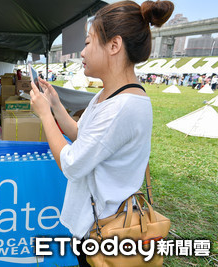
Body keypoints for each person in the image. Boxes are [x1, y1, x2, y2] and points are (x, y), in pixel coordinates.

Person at [29, 1, 173, 266]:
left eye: (87, 42)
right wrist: (56, 105)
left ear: (114, 46)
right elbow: (83, 137)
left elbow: (72, 164)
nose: (81, 52)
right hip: (94, 223)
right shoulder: (109, 94)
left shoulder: (122, 106)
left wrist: (44, 116)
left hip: (105, 229)